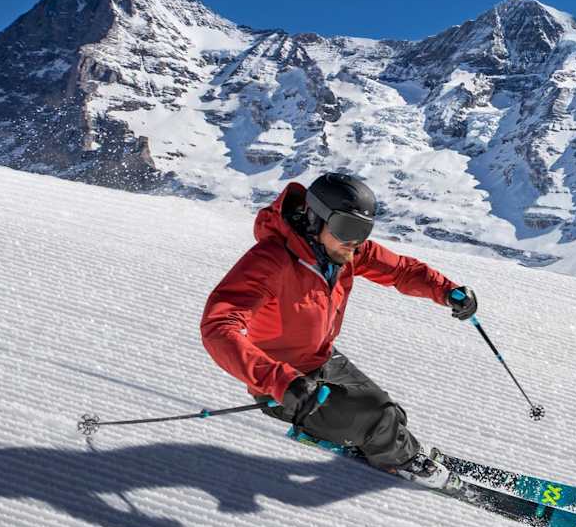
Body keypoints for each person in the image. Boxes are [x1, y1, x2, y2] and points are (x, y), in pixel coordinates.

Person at [200, 172, 479, 481]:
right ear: (314, 219)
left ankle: (377, 442)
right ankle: (405, 463)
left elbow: (401, 270)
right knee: (378, 418)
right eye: (347, 228)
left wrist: (446, 290)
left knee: (390, 411)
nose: (354, 241)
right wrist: (279, 381)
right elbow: (219, 327)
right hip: (287, 387)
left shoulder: (345, 253)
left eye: (363, 230)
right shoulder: (270, 262)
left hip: (322, 359)